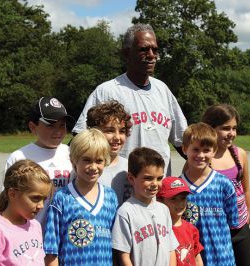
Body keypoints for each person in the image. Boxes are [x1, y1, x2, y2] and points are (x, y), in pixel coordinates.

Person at [72, 23, 188, 176]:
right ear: (127, 53)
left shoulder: (163, 90)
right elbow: (80, 138)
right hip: (118, 183)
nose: (152, 55)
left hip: (158, 186)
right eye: (143, 49)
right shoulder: (107, 91)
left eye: (155, 49)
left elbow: (183, 143)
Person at [44, 129, 118, 266]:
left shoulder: (111, 197)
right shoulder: (61, 198)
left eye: (99, 161)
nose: (93, 167)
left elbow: (116, 246)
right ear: (74, 160)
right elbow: (51, 251)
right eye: (87, 160)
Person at [4, 96, 74, 224]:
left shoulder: (72, 153)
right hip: (29, 234)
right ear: (32, 127)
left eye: (62, 125)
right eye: (51, 125)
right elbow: (7, 201)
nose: (58, 131)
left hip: (63, 234)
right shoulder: (19, 157)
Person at [202, 104, 250, 266]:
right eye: (225, 128)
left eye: (234, 128)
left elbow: (246, 189)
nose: (231, 133)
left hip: (240, 228)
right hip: (214, 230)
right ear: (210, 129)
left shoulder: (240, 155)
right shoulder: (202, 159)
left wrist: (247, 219)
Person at [179, 122, 239, 266]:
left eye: (206, 150)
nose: (201, 155)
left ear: (214, 151)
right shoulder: (179, 186)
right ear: (185, 149)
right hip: (191, 259)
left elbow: (233, 222)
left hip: (222, 258)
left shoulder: (223, 184)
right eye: (196, 149)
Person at [0, 160, 52, 265]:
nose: (41, 205)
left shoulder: (35, 226)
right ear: (13, 194)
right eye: (35, 198)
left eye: (44, 199)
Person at [111, 147, 178, 266]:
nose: (155, 184)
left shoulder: (164, 209)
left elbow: (171, 249)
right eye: (148, 178)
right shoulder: (126, 212)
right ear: (131, 178)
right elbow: (123, 255)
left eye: (159, 178)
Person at [86, 100, 132, 204]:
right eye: (109, 131)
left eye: (122, 131)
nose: (117, 137)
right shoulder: (85, 168)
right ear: (94, 132)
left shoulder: (130, 167)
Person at [157, 176, 204, 266]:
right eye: (173, 199)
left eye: (182, 198)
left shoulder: (191, 229)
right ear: (160, 200)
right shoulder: (160, 230)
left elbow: (197, 260)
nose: (180, 203)